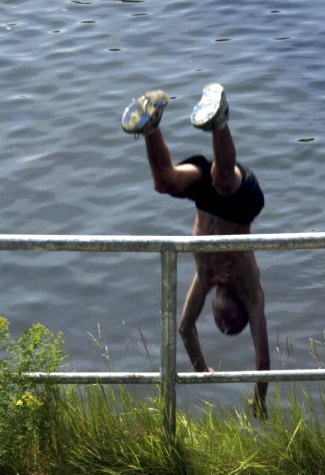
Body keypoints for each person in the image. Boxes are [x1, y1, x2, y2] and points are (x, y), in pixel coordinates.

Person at [121, 83, 271, 414]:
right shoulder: (251, 290)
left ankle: (151, 124)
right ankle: (219, 120)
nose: (223, 325)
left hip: (206, 203)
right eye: (231, 325)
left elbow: (185, 328)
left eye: (219, 326)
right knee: (223, 179)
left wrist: (202, 369)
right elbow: (263, 359)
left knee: (165, 182)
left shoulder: (205, 279)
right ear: (241, 313)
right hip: (241, 202)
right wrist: (260, 398)